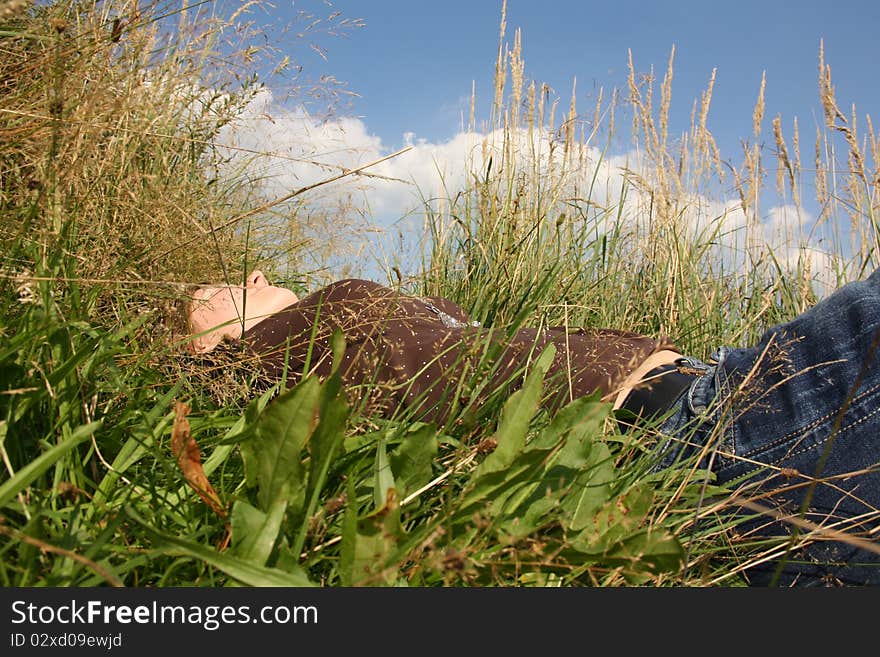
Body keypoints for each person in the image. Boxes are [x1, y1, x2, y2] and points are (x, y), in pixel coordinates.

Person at [184, 269, 880, 586]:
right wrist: (217, 343)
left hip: (715, 407)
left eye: (226, 283)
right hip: (697, 446)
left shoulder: (357, 316)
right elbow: (199, 399)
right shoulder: (269, 355)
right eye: (210, 292)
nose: (241, 277)